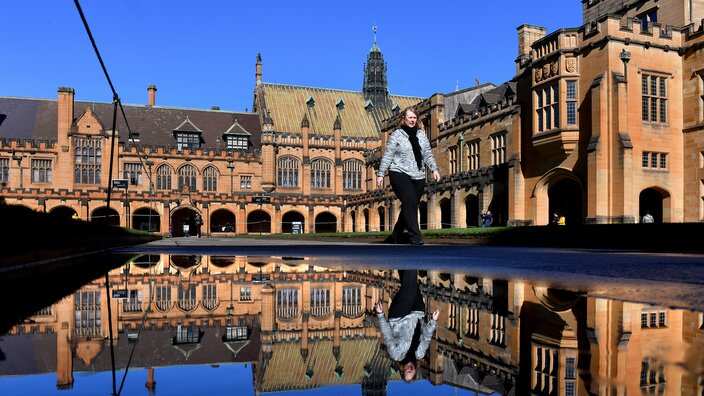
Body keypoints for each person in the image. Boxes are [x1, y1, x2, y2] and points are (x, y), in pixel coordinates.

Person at [376, 109, 440, 245]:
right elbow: (388, 155)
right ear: (403, 119)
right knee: (410, 200)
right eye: (410, 117)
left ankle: (396, 235)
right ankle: (415, 237)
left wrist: (434, 169)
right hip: (399, 172)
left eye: (414, 118)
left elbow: (427, 154)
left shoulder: (421, 135)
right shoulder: (396, 135)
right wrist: (381, 173)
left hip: (418, 175)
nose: (412, 120)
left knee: (410, 205)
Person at [375, 270, 439, 382]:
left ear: (402, 369)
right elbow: (426, 336)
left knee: (409, 286)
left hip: (399, 317)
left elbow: (387, 335)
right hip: (417, 313)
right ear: (415, 370)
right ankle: (403, 259)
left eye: (407, 372)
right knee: (411, 285)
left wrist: (380, 315)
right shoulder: (420, 354)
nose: (409, 369)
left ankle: (412, 257)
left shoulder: (396, 354)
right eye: (411, 372)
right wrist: (433, 321)